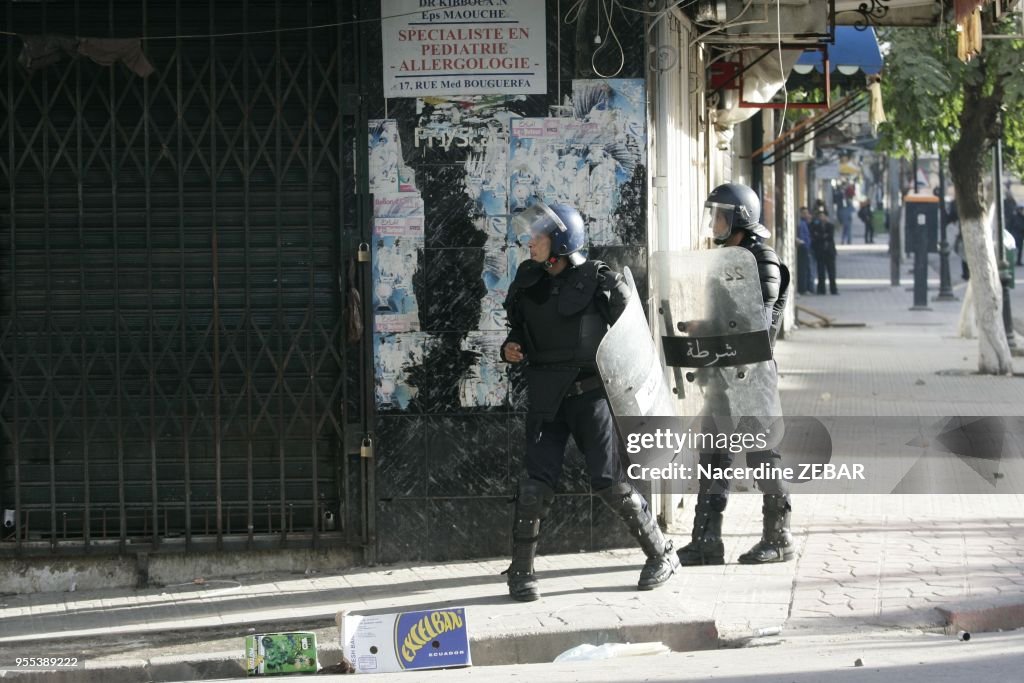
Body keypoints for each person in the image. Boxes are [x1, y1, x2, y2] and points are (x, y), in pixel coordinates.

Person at [500, 201, 679, 602]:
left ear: (561, 241)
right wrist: (510, 348)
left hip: (590, 396)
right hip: (547, 396)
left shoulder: (602, 283)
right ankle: (522, 571)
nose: (530, 243)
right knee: (533, 486)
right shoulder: (528, 282)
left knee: (610, 483)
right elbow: (520, 335)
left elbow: (634, 344)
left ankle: (662, 553)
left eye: (539, 237)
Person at [676, 183, 794, 566]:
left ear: (740, 218)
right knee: (712, 453)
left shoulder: (762, 260)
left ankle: (779, 538)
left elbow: (754, 321)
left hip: (751, 373)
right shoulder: (730, 255)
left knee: (761, 454)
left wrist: (716, 328)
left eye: (721, 216)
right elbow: (726, 315)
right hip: (721, 371)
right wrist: (702, 326)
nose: (714, 222)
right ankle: (707, 540)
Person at [810, 207, 839, 295]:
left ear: (826, 217)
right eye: (820, 216)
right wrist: (822, 236)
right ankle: (821, 289)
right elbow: (815, 237)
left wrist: (820, 236)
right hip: (820, 253)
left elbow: (830, 237)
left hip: (829, 253)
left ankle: (833, 289)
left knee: (831, 272)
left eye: (823, 216)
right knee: (821, 272)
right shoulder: (816, 226)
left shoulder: (830, 226)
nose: (822, 218)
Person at [796, 206, 813, 294]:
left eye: (807, 213)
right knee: (803, 269)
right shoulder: (801, 223)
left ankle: (808, 287)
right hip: (803, 248)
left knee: (807, 269)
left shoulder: (806, 223)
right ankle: (803, 288)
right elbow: (803, 236)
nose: (807, 215)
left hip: (807, 248)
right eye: (804, 213)